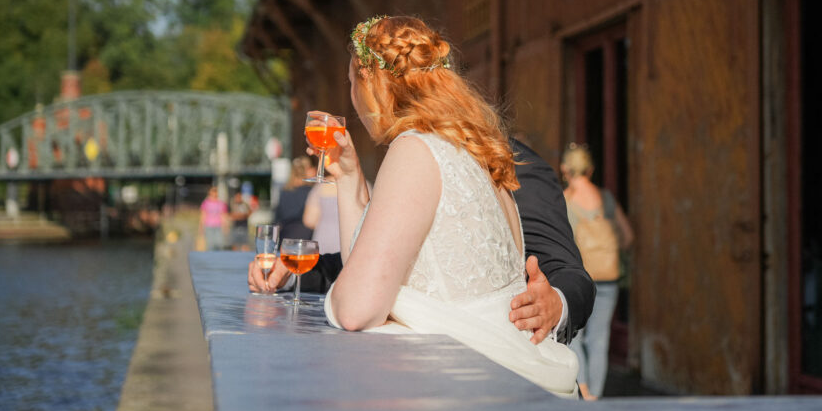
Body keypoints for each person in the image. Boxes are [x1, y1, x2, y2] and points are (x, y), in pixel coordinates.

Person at [254, 15, 583, 396]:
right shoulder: (475, 150)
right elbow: (366, 266)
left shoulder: (414, 148)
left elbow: (354, 310)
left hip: (467, 384)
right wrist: (349, 179)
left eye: (351, 82)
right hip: (508, 370)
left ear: (371, 82)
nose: (352, 97)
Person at [250, 137, 595, 344]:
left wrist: (556, 305)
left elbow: (570, 273)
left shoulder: (516, 162)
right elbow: (383, 262)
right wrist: (296, 271)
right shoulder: (416, 155)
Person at [561, 143, 635, 400]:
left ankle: (583, 392)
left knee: (574, 337)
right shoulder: (606, 198)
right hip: (609, 278)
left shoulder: (565, 201)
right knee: (600, 339)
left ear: (564, 169)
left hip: (581, 279)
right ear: (590, 170)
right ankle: (597, 396)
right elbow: (627, 237)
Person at [273, 157, 316, 242]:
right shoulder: (311, 192)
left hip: (285, 237)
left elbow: (277, 218)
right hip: (305, 237)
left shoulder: (284, 192)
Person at [303, 182, 340, 254]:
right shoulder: (364, 185)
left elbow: (309, 220)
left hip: (323, 239)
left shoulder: (320, 186)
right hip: (349, 242)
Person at [198, 185, 228, 251]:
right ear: (210, 193)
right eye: (213, 191)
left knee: (219, 243)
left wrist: (225, 226)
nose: (214, 193)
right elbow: (203, 215)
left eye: (215, 191)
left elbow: (223, 215)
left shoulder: (221, 203)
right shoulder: (206, 203)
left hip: (218, 225)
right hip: (208, 225)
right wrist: (201, 227)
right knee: (210, 244)